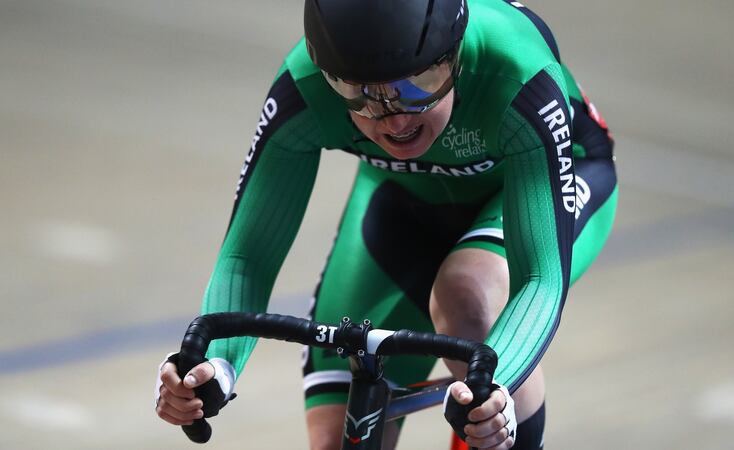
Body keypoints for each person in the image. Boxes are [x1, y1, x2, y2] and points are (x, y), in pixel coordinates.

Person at [155, 0, 617, 449]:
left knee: (465, 298)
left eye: (418, 82)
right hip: (402, 204)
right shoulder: (304, 87)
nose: (394, 119)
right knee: (338, 436)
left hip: (549, 182)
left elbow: (539, 277)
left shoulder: (517, 70)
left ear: (454, 56)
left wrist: (497, 386)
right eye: (358, 91)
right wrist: (215, 366)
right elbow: (247, 256)